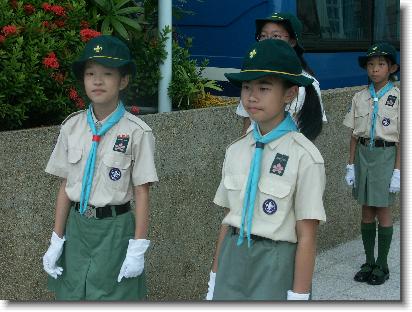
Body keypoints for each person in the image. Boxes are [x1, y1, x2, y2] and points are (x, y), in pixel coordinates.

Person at [205, 39, 326, 300]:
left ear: (289, 93)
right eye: (246, 86)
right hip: (232, 256)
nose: (251, 96)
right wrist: (214, 276)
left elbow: (307, 235)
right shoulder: (235, 150)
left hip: (276, 260)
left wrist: (299, 295)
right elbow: (228, 219)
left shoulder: (304, 156)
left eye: (264, 87)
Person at [42, 35, 158, 300]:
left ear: (123, 80)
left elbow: (142, 191)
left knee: (113, 297)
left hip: (116, 229)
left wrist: (138, 248)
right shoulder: (71, 127)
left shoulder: (137, 132)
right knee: (73, 295)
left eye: (107, 73)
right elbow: (65, 186)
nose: (97, 80)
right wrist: (56, 239)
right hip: (78, 225)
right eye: (90, 73)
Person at [343, 42, 400, 286]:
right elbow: (354, 134)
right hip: (363, 155)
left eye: (381, 64)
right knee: (366, 209)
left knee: (383, 209)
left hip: (386, 156)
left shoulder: (399, 98)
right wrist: (350, 165)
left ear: (392, 68)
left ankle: (383, 264)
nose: (375, 69)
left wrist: (398, 171)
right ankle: (368, 261)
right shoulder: (360, 97)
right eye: (370, 64)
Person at [236, 12, 327, 137]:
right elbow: (247, 123)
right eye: (263, 36)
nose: (268, 42)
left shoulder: (308, 84)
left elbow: (310, 129)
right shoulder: (250, 76)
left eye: (276, 36)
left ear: (292, 42)